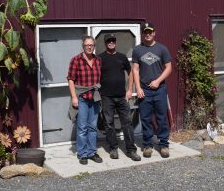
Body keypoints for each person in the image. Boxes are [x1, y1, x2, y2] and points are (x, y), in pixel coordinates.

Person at [98, 33, 141, 161]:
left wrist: (129, 90)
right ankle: (113, 148)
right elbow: (95, 75)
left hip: (122, 97)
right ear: (105, 43)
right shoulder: (100, 58)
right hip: (106, 97)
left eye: (113, 40)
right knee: (109, 124)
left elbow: (131, 72)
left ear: (115, 42)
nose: (111, 42)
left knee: (127, 123)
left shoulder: (122, 57)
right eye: (108, 41)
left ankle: (131, 150)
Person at [132, 22, 172, 158]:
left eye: (150, 32)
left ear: (154, 33)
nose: (147, 34)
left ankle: (164, 145)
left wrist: (158, 81)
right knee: (145, 118)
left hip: (159, 89)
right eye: (145, 32)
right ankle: (147, 145)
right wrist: (137, 88)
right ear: (142, 34)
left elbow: (169, 68)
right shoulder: (137, 50)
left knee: (161, 118)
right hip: (144, 90)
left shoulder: (162, 49)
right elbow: (135, 70)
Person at [67, 35, 103, 165]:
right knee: (82, 127)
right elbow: (70, 79)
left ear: (94, 46)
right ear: (83, 46)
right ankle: (82, 153)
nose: (89, 47)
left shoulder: (98, 60)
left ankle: (92, 151)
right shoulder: (76, 60)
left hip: (94, 98)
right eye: (87, 45)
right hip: (81, 98)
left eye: (91, 45)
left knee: (92, 127)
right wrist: (74, 97)